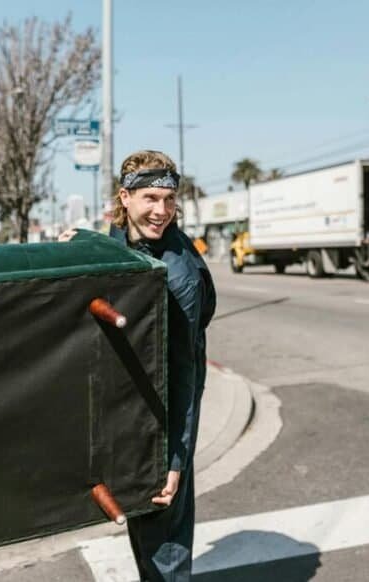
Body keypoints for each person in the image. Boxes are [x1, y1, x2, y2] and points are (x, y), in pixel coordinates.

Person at [61, 150, 215, 581]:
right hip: (135, 410)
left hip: (166, 422)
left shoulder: (179, 275)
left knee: (164, 549)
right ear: (124, 198)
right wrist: (84, 243)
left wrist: (176, 458)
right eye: (151, 197)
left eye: (169, 199)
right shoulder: (123, 239)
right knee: (144, 534)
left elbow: (188, 374)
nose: (161, 211)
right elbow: (114, 250)